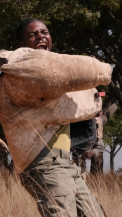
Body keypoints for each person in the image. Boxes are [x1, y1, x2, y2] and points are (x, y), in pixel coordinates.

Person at [10, 18, 106, 217]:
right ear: (21, 44)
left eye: (44, 32)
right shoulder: (25, 72)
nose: (40, 37)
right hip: (44, 162)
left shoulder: (55, 71)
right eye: (32, 34)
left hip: (67, 162)